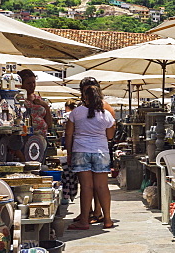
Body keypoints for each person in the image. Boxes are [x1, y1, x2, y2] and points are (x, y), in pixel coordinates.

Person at [65, 78, 116, 230]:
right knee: (102, 186)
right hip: (101, 151)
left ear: (83, 97)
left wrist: (69, 153)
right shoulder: (106, 114)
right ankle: (107, 220)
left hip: (80, 151)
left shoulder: (75, 112)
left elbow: (68, 135)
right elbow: (110, 136)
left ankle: (84, 221)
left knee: (86, 187)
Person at [17, 69, 53, 135]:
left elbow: (49, 124)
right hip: (26, 135)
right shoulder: (18, 99)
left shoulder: (39, 99)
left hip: (42, 135)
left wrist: (45, 106)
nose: (32, 85)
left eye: (34, 82)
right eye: (29, 83)